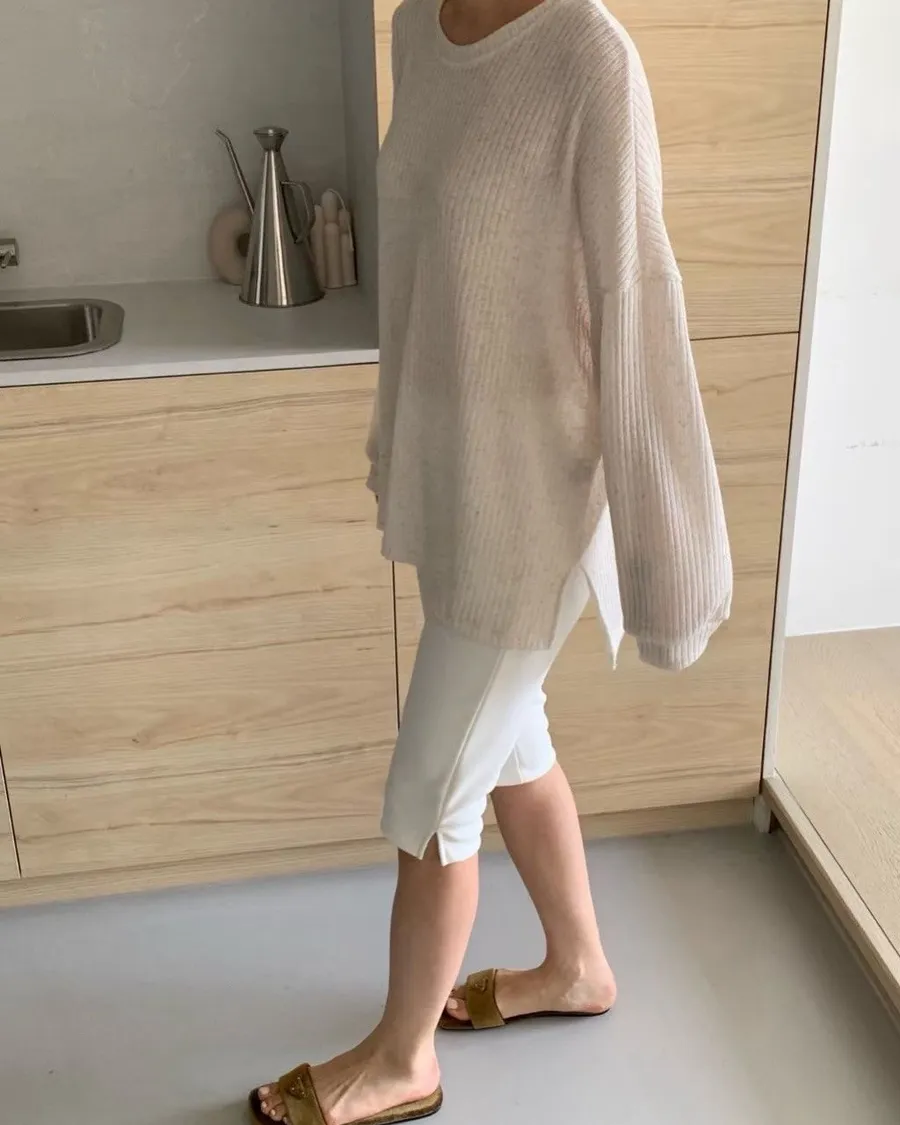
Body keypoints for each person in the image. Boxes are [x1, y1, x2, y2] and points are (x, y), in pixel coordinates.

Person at [252, 0, 732, 1121]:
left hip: (534, 498)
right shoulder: (419, 27)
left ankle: (403, 1056)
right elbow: (433, 268)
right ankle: (578, 968)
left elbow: (636, 301)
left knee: (432, 788)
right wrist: (400, 442)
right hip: (455, 474)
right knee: (512, 740)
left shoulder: (588, 59)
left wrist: (668, 550)